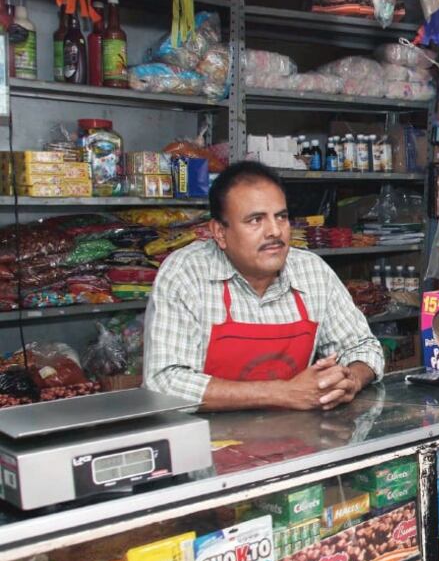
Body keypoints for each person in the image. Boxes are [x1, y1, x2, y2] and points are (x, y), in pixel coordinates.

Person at [144, 160, 384, 412]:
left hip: (295, 438)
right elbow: (164, 383)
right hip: (206, 440)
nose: (274, 231)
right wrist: (283, 393)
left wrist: (350, 380)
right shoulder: (186, 274)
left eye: (281, 217)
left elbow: (363, 347)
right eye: (255, 220)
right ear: (219, 233)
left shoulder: (311, 271)